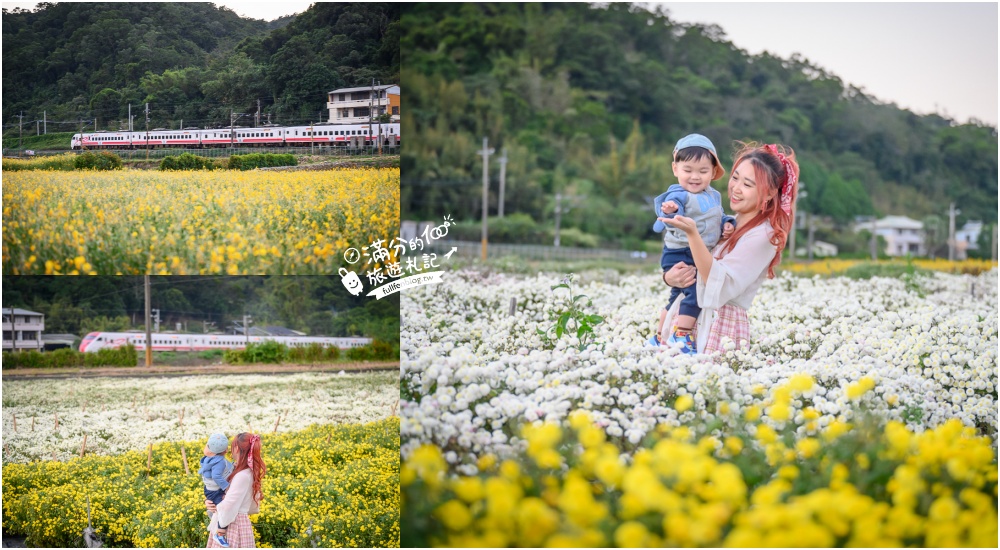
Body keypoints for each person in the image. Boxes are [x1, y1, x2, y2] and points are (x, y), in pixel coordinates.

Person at [659, 142, 799, 355]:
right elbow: (690, 265)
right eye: (735, 178)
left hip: (719, 328)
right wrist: (670, 278)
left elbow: (718, 285)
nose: (736, 188)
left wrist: (693, 234)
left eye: (748, 184)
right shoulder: (725, 224)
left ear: (770, 193)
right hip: (685, 323)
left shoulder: (765, 235)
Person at [648, 133, 736, 353]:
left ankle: (660, 337)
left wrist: (727, 223)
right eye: (688, 170)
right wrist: (671, 209)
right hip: (680, 253)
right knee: (696, 291)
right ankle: (683, 335)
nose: (695, 177)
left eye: (703, 171)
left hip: (697, 252)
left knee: (678, 295)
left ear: (714, 172)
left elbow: (718, 215)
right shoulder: (678, 194)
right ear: (675, 169)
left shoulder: (713, 196)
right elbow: (672, 206)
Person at [206, 432, 266, 548]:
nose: (229, 450)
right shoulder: (241, 471)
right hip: (232, 521)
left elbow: (228, 505)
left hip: (232, 525)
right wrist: (209, 502)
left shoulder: (242, 475)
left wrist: (217, 506)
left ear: (237, 448)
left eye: (232, 446)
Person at [199, 433, 234, 535]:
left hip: (210, 489)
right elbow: (216, 476)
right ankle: (221, 530)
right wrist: (227, 487)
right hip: (216, 491)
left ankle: (214, 515)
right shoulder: (219, 461)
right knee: (222, 509)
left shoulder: (210, 459)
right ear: (225, 450)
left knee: (219, 507)